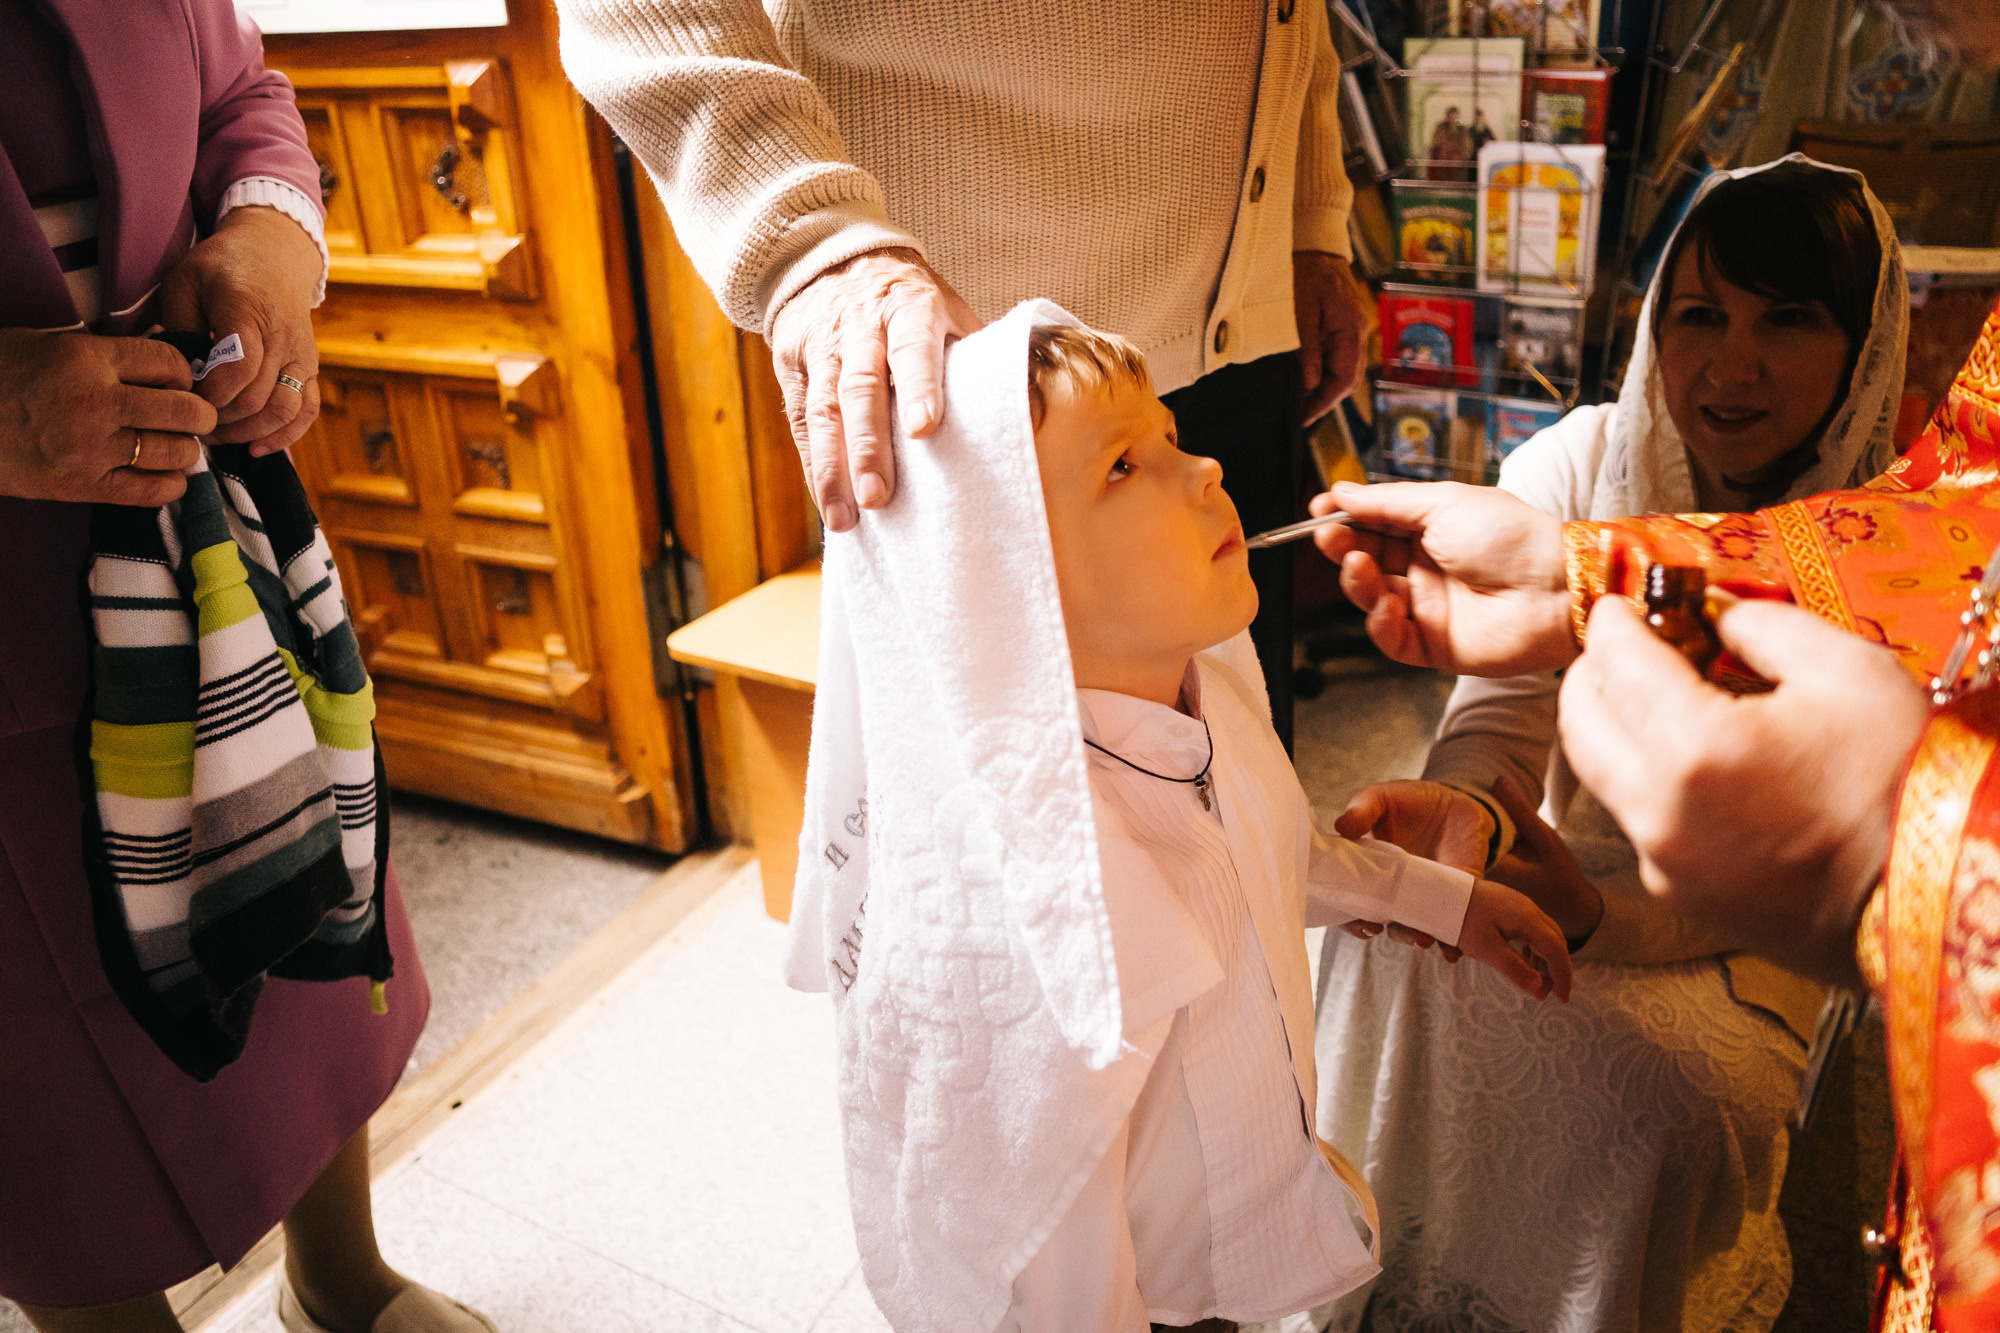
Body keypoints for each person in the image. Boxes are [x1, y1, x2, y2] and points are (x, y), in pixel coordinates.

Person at [1314, 157, 1904, 1332]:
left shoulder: (1896, 548)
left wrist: (1606, 919)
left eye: (1786, 320)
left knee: (1671, 1092)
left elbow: (1831, 857)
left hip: (1763, 929)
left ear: (1865, 345)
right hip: (1551, 852)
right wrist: (1470, 817)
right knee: (1388, 937)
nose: (1728, 366)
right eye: (1698, 316)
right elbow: (1498, 704)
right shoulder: (1571, 467)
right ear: (1651, 323)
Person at [0, 5, 489, 1332]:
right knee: (40, 1068)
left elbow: (239, 94)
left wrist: (268, 241)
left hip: (212, 530)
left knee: (305, 930)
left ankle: (339, 1276)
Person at [557, 0, 1372, 749]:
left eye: (1168, 446)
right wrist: (811, 241)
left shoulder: (1206, 474)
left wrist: (1309, 222)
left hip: (1253, 336)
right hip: (971, 390)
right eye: (1136, 458)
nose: (1207, 472)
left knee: (1236, 751)